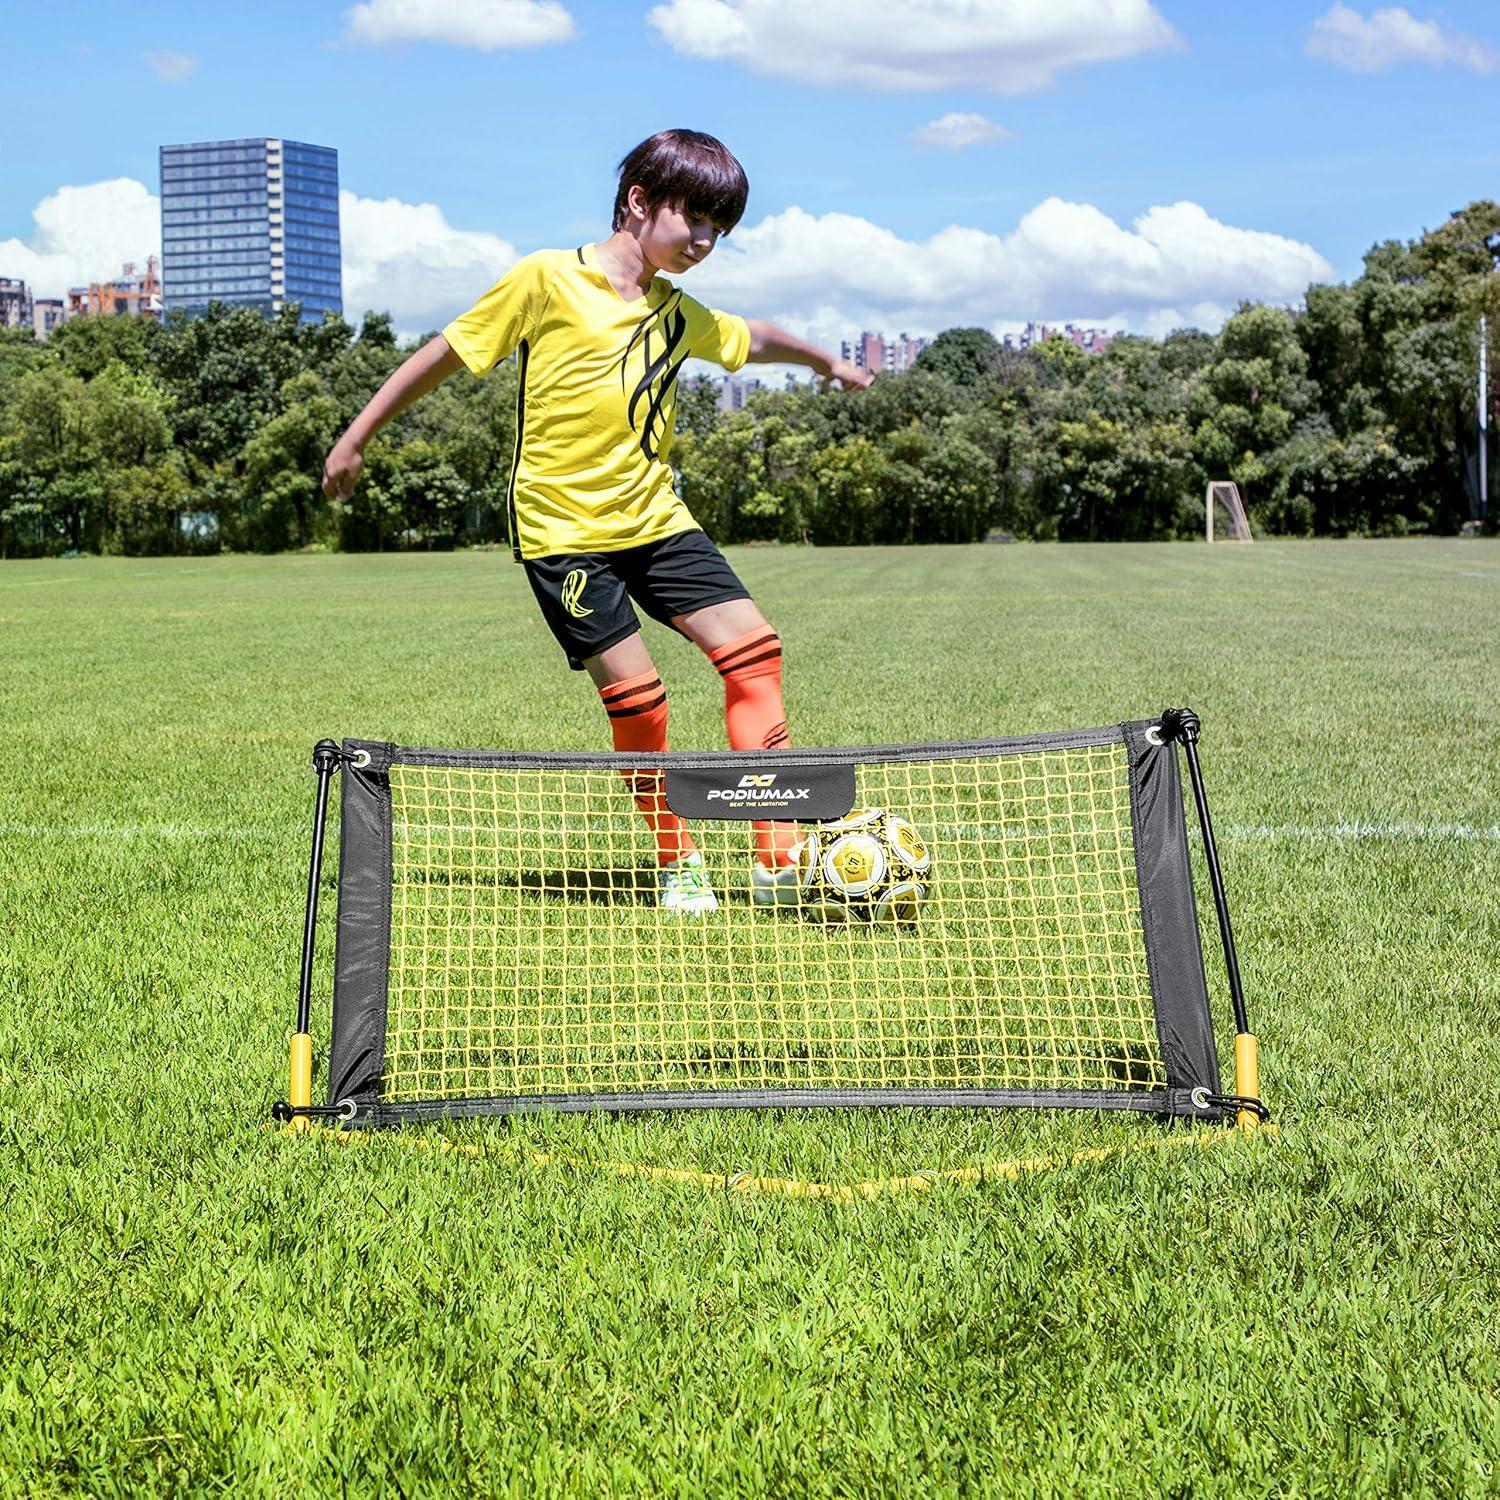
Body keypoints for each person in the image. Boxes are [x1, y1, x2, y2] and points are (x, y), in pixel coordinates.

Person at [322, 127, 872, 914]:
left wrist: (828, 362)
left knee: (756, 654)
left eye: (723, 228)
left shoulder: (677, 315)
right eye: (697, 219)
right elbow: (443, 353)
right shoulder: (546, 279)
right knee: (642, 701)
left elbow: (755, 340)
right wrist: (356, 436)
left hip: (657, 519)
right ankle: (677, 859)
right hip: (565, 534)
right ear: (640, 203)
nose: (708, 241)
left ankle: (776, 855)